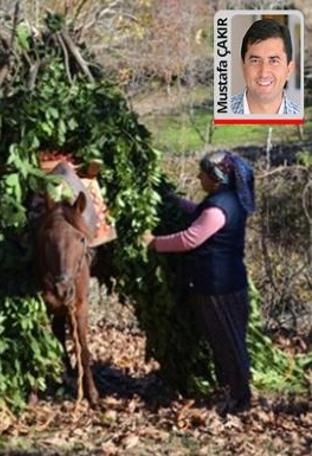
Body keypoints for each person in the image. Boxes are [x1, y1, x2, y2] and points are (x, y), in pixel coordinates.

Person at [143, 150, 255, 414]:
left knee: (226, 340)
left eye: (202, 174)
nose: (198, 177)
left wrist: (154, 243)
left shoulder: (218, 206)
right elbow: (201, 215)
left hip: (217, 287)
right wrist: (176, 201)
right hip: (228, 282)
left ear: (215, 178)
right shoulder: (228, 200)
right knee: (229, 338)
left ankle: (239, 398)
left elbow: (190, 238)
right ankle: (234, 390)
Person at [229, 19, 300, 115]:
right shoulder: (216, 114)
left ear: (289, 69)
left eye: (274, 61)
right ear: (243, 66)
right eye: (255, 61)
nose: (263, 72)